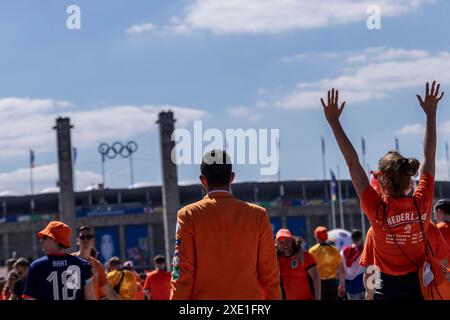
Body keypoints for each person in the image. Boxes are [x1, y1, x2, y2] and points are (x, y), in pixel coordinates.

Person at [322, 83, 443, 300]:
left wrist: (334, 122)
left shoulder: (377, 210)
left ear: (383, 180)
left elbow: (352, 162)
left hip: (386, 289)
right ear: (408, 178)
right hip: (421, 288)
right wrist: (431, 115)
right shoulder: (422, 202)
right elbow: (430, 156)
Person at [171, 149, 281, 300]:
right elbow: (270, 273)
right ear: (232, 177)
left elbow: (183, 272)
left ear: (203, 180)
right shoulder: (258, 215)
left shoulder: (188, 215)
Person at [23, 221, 97, 300]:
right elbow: (90, 297)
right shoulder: (82, 265)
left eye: (44, 237)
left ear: (55, 240)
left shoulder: (37, 266)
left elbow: (29, 298)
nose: (41, 240)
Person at [73, 226, 120, 300]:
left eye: (88, 237)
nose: (86, 240)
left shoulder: (98, 266)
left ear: (92, 240)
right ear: (77, 241)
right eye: (82, 237)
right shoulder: (69, 260)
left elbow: (107, 289)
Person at [275, 229, 320, 300]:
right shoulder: (276, 259)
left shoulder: (305, 256)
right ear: (277, 244)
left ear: (292, 241)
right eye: (281, 242)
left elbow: (316, 277)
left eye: (287, 241)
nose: (284, 244)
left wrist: (317, 298)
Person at [308, 226, 345, 300]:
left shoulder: (312, 251)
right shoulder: (335, 250)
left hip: (318, 283)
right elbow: (341, 269)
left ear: (317, 237)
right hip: (333, 283)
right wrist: (342, 284)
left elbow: (309, 271)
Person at [341, 229, 365, 300]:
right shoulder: (364, 251)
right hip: (362, 284)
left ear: (351, 238)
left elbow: (341, 269)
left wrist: (342, 285)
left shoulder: (343, 252)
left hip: (350, 286)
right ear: (361, 238)